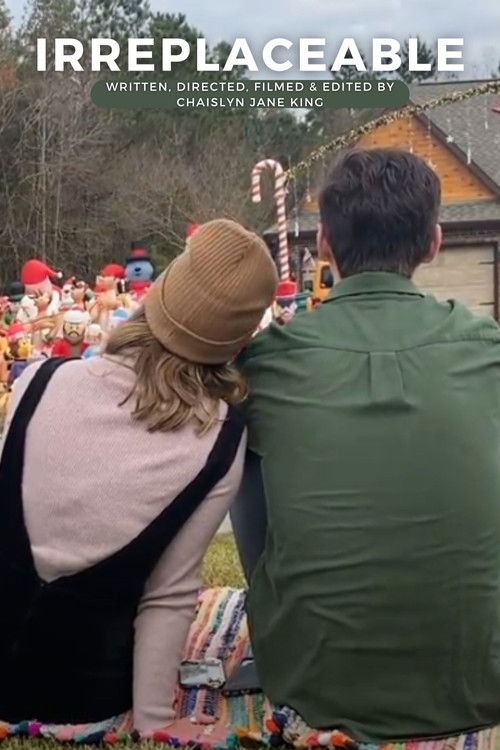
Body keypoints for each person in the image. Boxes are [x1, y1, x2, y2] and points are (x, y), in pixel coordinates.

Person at [231, 148, 500, 742]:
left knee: (240, 448)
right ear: (434, 243)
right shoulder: (488, 348)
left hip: (311, 682)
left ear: (325, 243)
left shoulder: (268, 362)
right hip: (481, 682)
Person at [0, 218, 278, 731]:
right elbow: (168, 595)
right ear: (239, 342)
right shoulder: (219, 439)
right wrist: (153, 724)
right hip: (87, 695)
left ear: (158, 293)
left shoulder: (35, 381)